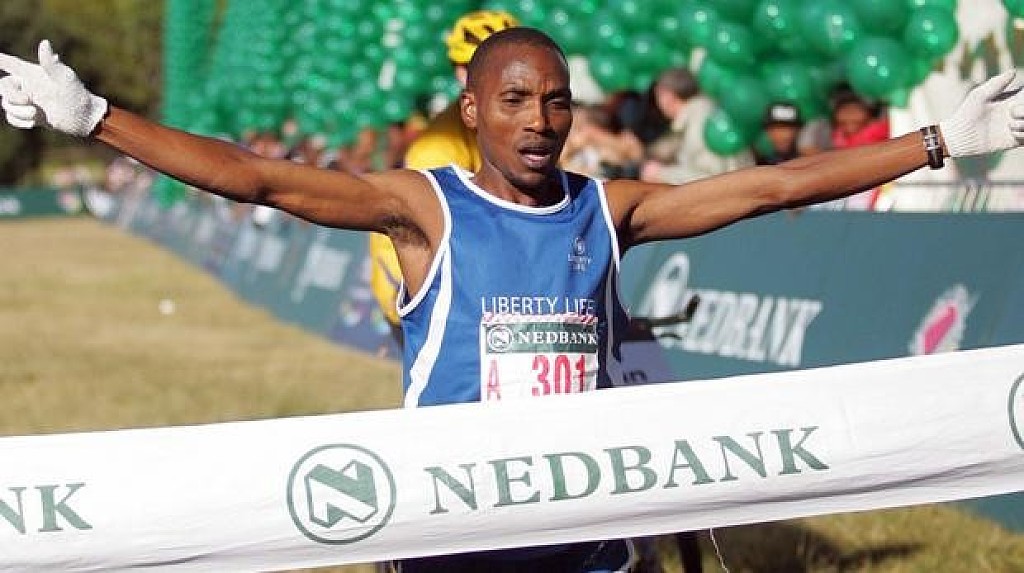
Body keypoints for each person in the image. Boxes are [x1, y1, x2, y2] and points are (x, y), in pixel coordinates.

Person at [1, 28, 1021, 572]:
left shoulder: (607, 209)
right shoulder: (423, 209)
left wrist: (935, 141)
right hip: (449, 537)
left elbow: (769, 186)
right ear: (473, 110)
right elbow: (256, 178)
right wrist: (96, 118)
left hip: (587, 535)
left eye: (557, 100)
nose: (540, 120)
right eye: (516, 100)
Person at [368, 9, 519, 335]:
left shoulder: (517, 128)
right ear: (460, 74)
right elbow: (446, 243)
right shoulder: (437, 149)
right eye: (483, 68)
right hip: (420, 287)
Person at [641, 67, 753, 184]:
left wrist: (662, 174)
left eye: (657, 96)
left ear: (667, 96)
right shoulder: (704, 112)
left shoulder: (700, 121)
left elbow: (712, 179)